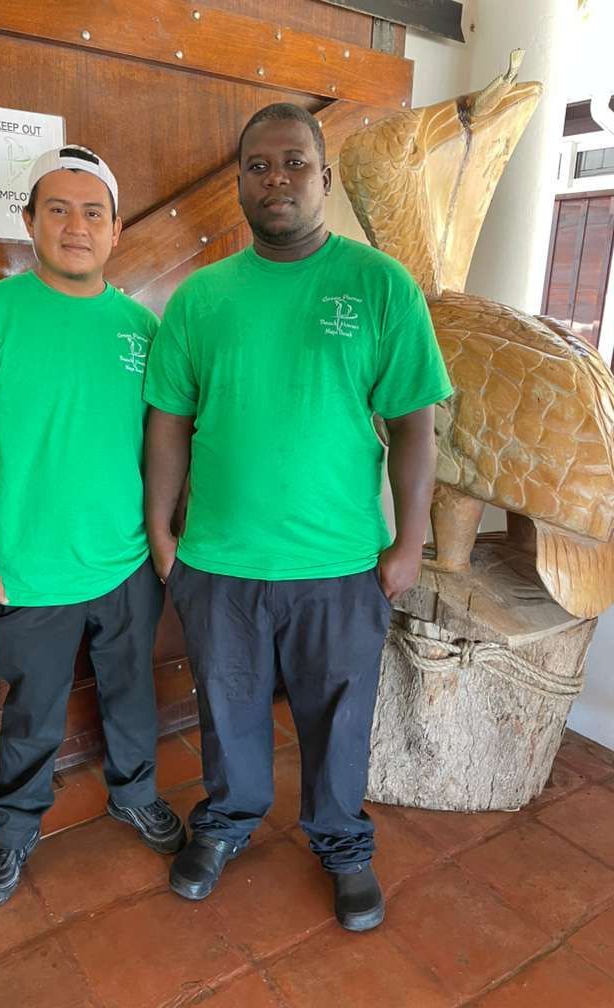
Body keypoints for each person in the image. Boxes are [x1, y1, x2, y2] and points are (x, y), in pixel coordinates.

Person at [144, 105, 452, 932]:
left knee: (340, 716)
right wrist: (161, 534)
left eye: (292, 163)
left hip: (340, 563)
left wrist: (409, 544)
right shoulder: (201, 299)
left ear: (323, 176)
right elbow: (169, 422)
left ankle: (343, 845)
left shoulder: (379, 286)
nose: (274, 179)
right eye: (256, 165)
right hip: (219, 560)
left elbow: (415, 426)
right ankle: (228, 821)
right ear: (239, 181)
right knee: (228, 707)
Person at [0, 145, 185, 908]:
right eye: (58, 210)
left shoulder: (141, 326)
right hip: (28, 569)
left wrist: (165, 538)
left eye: (93, 211)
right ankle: (14, 831)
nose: (77, 225)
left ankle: (134, 795)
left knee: (131, 694)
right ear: (28, 221)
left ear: (117, 227)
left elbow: (166, 444)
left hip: (128, 564)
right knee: (31, 713)